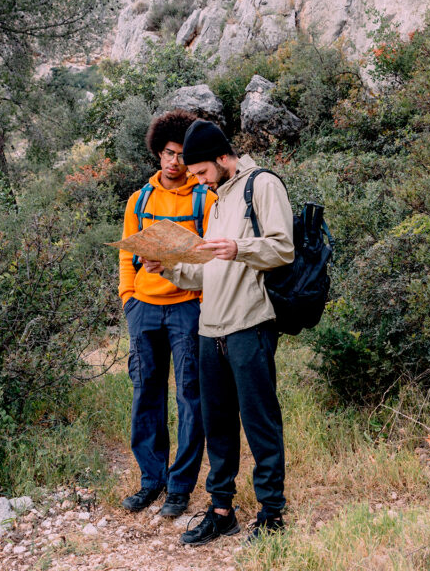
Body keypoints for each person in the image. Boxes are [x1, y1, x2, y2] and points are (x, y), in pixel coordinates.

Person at [142, 120, 294, 545]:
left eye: (204, 173)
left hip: (250, 325)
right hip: (211, 330)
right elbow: (208, 272)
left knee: (261, 424)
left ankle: (271, 516)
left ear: (224, 158)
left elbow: (284, 247)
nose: (201, 182)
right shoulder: (218, 199)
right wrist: (168, 267)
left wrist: (239, 247)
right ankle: (222, 511)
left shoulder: (261, 185)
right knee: (219, 427)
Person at [118, 109, 216, 518]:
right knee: (146, 395)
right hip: (144, 309)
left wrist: (201, 299)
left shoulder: (205, 199)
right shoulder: (139, 200)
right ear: (157, 153)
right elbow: (127, 254)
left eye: (180, 155)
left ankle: (180, 487)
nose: (173, 162)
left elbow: (215, 257)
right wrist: (128, 297)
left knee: (190, 397)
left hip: (186, 309)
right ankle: (150, 481)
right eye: (167, 154)